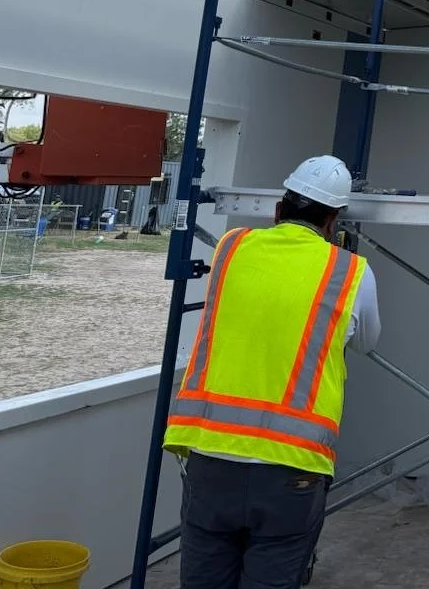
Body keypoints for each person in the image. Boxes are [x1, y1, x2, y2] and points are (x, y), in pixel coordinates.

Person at [162, 155, 380, 589]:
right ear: (333, 221)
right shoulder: (351, 272)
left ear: (279, 209)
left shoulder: (231, 248)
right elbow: (367, 342)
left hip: (210, 456)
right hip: (290, 469)